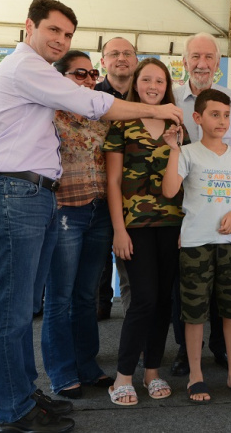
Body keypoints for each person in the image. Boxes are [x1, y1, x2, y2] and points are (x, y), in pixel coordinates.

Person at [0, 0, 182, 433]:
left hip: (35, 194)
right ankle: (12, 411)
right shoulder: (25, 66)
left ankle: (24, 396)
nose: (60, 40)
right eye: (53, 30)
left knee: (26, 308)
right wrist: (155, 108)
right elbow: (93, 104)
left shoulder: (34, 71)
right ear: (29, 26)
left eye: (68, 34)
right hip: (16, 193)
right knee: (12, 313)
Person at [162, 88, 231, 403]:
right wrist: (174, 149)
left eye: (227, 115)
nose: (222, 121)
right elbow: (170, 191)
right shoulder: (188, 153)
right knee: (194, 314)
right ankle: (196, 375)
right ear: (197, 117)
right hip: (196, 244)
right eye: (215, 114)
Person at [170, 32, 231, 376]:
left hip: (224, 214)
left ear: (219, 63)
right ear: (184, 61)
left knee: (226, 292)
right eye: (195, 57)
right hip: (180, 209)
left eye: (209, 57)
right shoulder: (172, 99)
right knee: (187, 291)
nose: (202, 64)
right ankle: (186, 353)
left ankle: (222, 350)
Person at [104, 58, 187, 405]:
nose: (153, 86)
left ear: (167, 86)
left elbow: (186, 178)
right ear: (136, 83)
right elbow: (113, 181)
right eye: (147, 80)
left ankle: (152, 371)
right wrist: (118, 230)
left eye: (160, 81)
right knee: (144, 299)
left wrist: (187, 225)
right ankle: (123, 376)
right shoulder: (121, 123)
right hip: (135, 226)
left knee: (165, 300)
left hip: (172, 224)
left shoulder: (177, 124)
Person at [39, 51, 114, 400]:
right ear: (60, 77)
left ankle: (86, 364)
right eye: (79, 73)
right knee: (59, 297)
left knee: (86, 295)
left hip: (100, 213)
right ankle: (61, 371)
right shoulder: (48, 114)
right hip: (65, 211)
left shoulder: (101, 116)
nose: (88, 79)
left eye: (92, 73)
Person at [95, 36, 139, 320]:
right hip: (95, 194)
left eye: (127, 53)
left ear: (136, 60)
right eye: (114, 54)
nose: (121, 58)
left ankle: (135, 328)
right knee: (94, 269)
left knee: (132, 270)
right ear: (103, 62)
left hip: (135, 197)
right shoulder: (89, 95)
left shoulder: (148, 96)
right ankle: (98, 310)